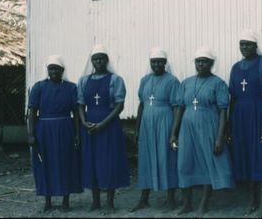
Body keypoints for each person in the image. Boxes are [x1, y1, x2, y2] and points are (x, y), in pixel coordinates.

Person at [169, 48, 235, 216]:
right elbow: (179, 109)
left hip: (209, 127)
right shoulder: (186, 83)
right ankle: (187, 204)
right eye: (198, 61)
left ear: (212, 64)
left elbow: (222, 111)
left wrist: (220, 138)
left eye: (204, 61)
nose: (200, 64)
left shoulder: (218, 83)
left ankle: (203, 205)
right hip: (187, 128)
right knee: (184, 163)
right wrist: (173, 133)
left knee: (207, 163)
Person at [228, 29, 262, 217]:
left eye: (248, 44)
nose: (244, 47)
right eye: (242, 44)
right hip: (241, 118)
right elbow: (233, 97)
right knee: (247, 157)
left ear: (256, 46)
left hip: (260, 115)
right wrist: (230, 123)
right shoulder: (236, 67)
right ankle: (251, 201)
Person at [77, 44, 130, 212]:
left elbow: (119, 106)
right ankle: (95, 201)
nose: (98, 61)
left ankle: (110, 202)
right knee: (91, 161)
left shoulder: (115, 80)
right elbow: (80, 104)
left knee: (109, 162)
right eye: (95, 59)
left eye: (101, 58)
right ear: (92, 61)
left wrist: (103, 124)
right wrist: (84, 122)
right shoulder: (84, 81)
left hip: (109, 127)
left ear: (106, 60)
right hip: (90, 127)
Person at [27, 55, 82, 212]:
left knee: (66, 162)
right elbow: (32, 112)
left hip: (65, 129)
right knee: (46, 163)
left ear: (62, 70)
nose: (54, 71)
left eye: (57, 68)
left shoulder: (71, 87)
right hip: (44, 130)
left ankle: (66, 201)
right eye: (51, 68)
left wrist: (78, 133)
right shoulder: (38, 87)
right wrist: (31, 134)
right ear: (47, 70)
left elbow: (76, 112)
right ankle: (47, 201)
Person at [130, 47, 180, 212]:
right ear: (150, 63)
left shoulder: (172, 81)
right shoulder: (144, 80)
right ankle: (143, 198)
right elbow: (142, 104)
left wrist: (173, 131)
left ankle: (171, 199)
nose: (157, 64)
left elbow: (176, 107)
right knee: (145, 159)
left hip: (164, 122)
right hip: (146, 125)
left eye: (160, 61)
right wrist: (137, 128)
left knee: (166, 158)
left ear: (165, 63)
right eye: (153, 62)